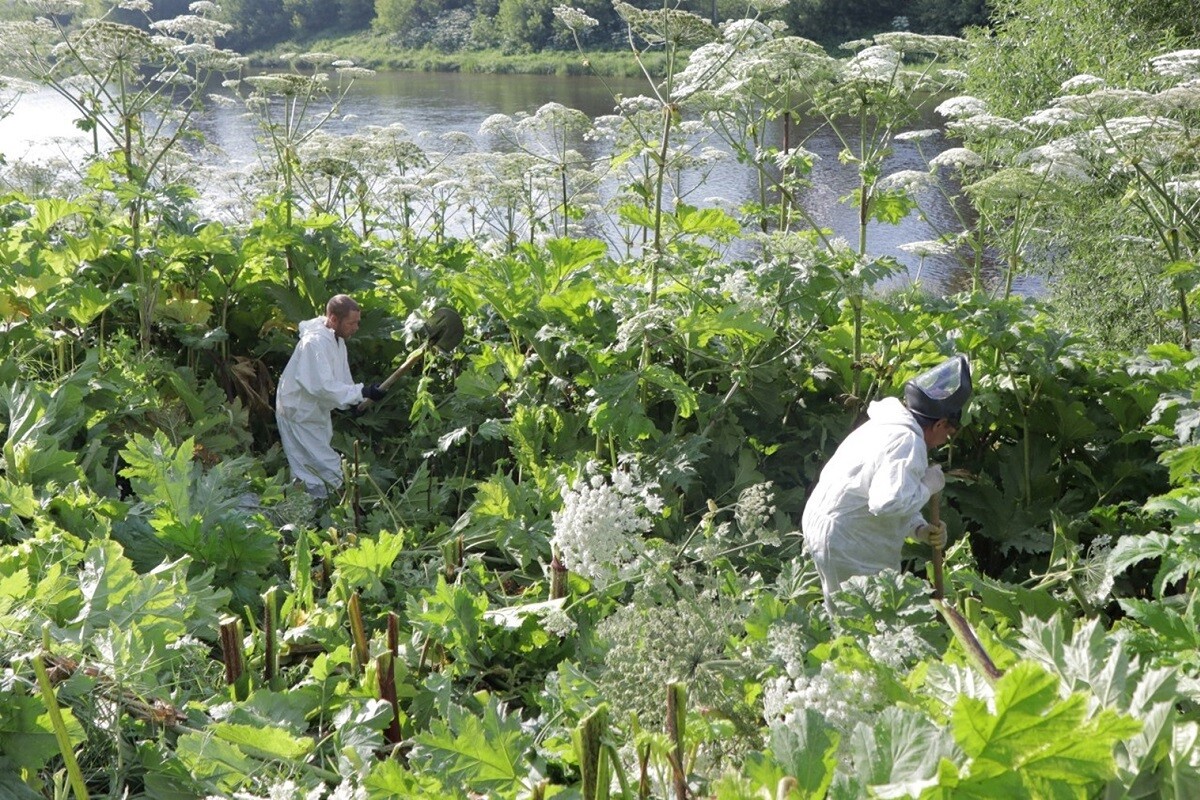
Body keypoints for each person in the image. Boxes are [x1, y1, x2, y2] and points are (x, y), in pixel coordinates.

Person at [801, 354, 972, 606]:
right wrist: (928, 486)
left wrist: (919, 529)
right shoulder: (907, 441)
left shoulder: (885, 426)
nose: (947, 440)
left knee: (852, 620)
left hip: (831, 531)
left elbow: (882, 490)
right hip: (849, 541)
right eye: (950, 432)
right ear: (941, 423)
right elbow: (887, 504)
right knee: (869, 626)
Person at [275, 295, 386, 499]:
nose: (356, 328)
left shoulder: (337, 340)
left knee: (310, 465)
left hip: (314, 412)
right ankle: (325, 509)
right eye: (351, 323)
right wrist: (363, 392)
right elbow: (322, 387)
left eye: (357, 323)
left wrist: (355, 401)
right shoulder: (314, 343)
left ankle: (306, 510)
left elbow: (341, 380)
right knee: (325, 467)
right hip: (298, 412)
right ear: (334, 319)